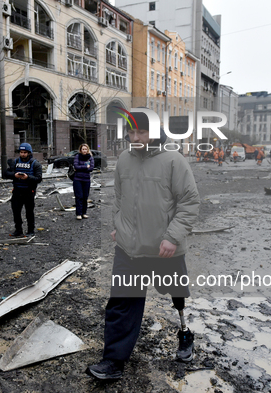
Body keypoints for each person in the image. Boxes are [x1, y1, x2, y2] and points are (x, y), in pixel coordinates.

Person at [86, 112, 200, 381]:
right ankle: (113, 362)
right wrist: (118, 224)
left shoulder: (174, 160)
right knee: (122, 302)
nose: (135, 138)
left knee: (176, 294)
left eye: (141, 132)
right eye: (131, 132)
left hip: (164, 249)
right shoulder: (124, 160)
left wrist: (172, 238)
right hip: (128, 249)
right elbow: (119, 196)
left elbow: (189, 202)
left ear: (156, 132)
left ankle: (185, 334)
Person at [5, 143, 42, 236]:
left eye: (25, 152)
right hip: (17, 191)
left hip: (29, 191)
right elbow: (5, 174)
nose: (23, 154)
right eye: (21, 152)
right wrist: (14, 175)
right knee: (16, 212)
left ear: (29, 153)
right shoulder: (15, 162)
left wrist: (28, 177)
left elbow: (39, 178)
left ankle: (30, 231)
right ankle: (18, 230)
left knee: (29, 212)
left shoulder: (35, 163)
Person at [72, 143, 94, 220]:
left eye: (86, 149)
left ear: (88, 150)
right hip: (78, 179)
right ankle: (78, 213)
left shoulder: (90, 157)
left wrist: (81, 168)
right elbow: (76, 166)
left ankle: (84, 213)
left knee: (85, 197)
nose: (84, 150)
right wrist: (85, 167)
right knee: (79, 196)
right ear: (80, 150)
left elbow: (91, 168)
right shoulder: (77, 156)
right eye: (83, 149)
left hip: (86, 180)